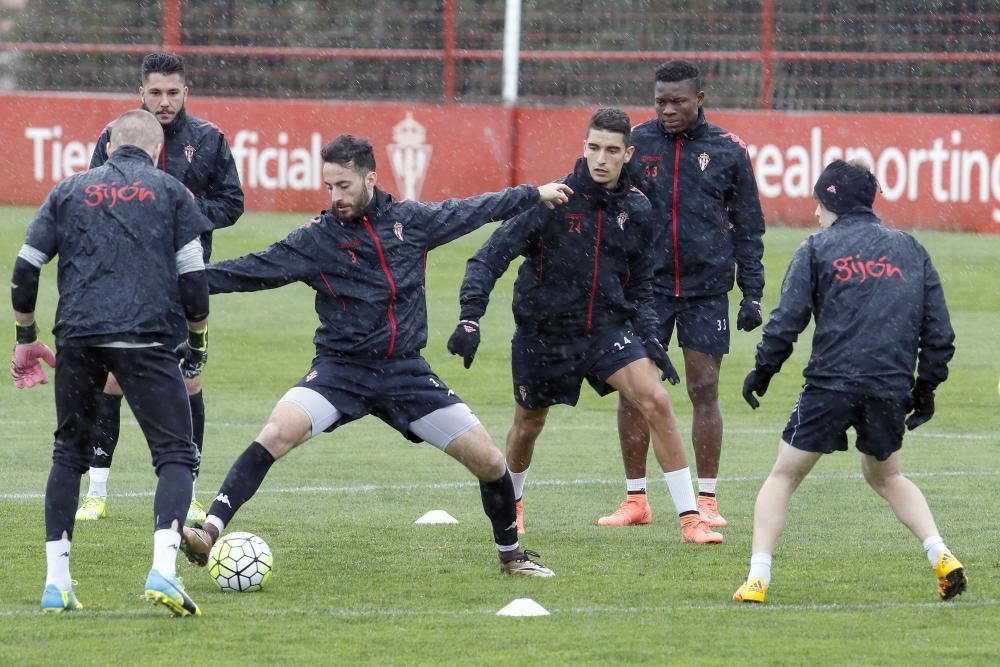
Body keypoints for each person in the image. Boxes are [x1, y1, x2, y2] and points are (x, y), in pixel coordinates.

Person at [179, 134, 573, 577]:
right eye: (328, 186)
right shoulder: (317, 238)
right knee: (275, 432)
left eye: (344, 186)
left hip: (405, 372)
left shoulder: (411, 221)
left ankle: (511, 557)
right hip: (339, 370)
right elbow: (251, 270)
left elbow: (471, 210)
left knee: (490, 462)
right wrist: (186, 280)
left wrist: (531, 194)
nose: (335, 197)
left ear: (370, 178)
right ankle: (208, 531)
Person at [447, 108, 723, 545]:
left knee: (656, 399)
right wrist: (470, 316)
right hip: (545, 334)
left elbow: (642, 284)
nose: (601, 158)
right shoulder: (552, 200)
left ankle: (692, 519)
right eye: (594, 147)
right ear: (584, 148)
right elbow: (489, 256)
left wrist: (651, 337)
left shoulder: (637, 207)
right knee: (529, 423)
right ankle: (513, 506)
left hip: (605, 331)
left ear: (627, 154)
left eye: (612, 150)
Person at [733, 159, 966, 604]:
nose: (815, 213)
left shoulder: (816, 248)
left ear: (829, 202)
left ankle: (758, 578)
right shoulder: (911, 249)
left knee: (783, 475)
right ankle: (941, 554)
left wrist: (763, 371)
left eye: (818, 203)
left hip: (831, 384)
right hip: (888, 386)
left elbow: (787, 321)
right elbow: (939, 332)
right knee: (887, 475)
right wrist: (925, 388)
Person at [11, 109, 212, 616]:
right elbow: (193, 279)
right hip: (145, 336)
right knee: (174, 453)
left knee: (67, 455)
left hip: (77, 334)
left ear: (105, 147)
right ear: (158, 151)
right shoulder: (171, 192)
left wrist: (25, 336)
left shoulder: (69, 189)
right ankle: (163, 572)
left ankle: (57, 583)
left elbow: (25, 266)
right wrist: (196, 338)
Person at [76, 52, 244, 525]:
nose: (165, 102)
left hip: (181, 279)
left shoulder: (209, 140)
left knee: (187, 379)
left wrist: (188, 209)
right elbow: (95, 194)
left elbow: (232, 204)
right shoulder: (115, 137)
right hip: (124, 278)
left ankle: (187, 490)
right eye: (156, 92)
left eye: (173, 92)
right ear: (141, 92)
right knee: (112, 380)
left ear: (186, 92)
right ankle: (97, 491)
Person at [604, 60, 765, 528]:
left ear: (700, 98)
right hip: (645, 289)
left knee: (704, 387)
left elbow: (749, 226)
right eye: (660, 102)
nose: (668, 110)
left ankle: (707, 499)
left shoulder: (729, 150)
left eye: (678, 101)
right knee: (634, 392)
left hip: (705, 288)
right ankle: (636, 499)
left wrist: (751, 292)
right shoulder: (636, 143)